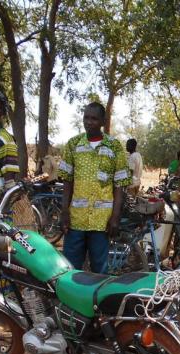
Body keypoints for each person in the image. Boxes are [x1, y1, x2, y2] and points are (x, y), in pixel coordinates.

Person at [58, 101, 131, 274]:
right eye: (86, 118)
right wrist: (64, 212)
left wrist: (115, 216)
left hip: (102, 222)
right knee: (70, 269)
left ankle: (97, 301)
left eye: (94, 118)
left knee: (99, 270)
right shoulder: (73, 145)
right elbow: (67, 181)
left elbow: (120, 184)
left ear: (103, 122)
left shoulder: (114, 147)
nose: (89, 122)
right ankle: (71, 301)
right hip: (76, 220)